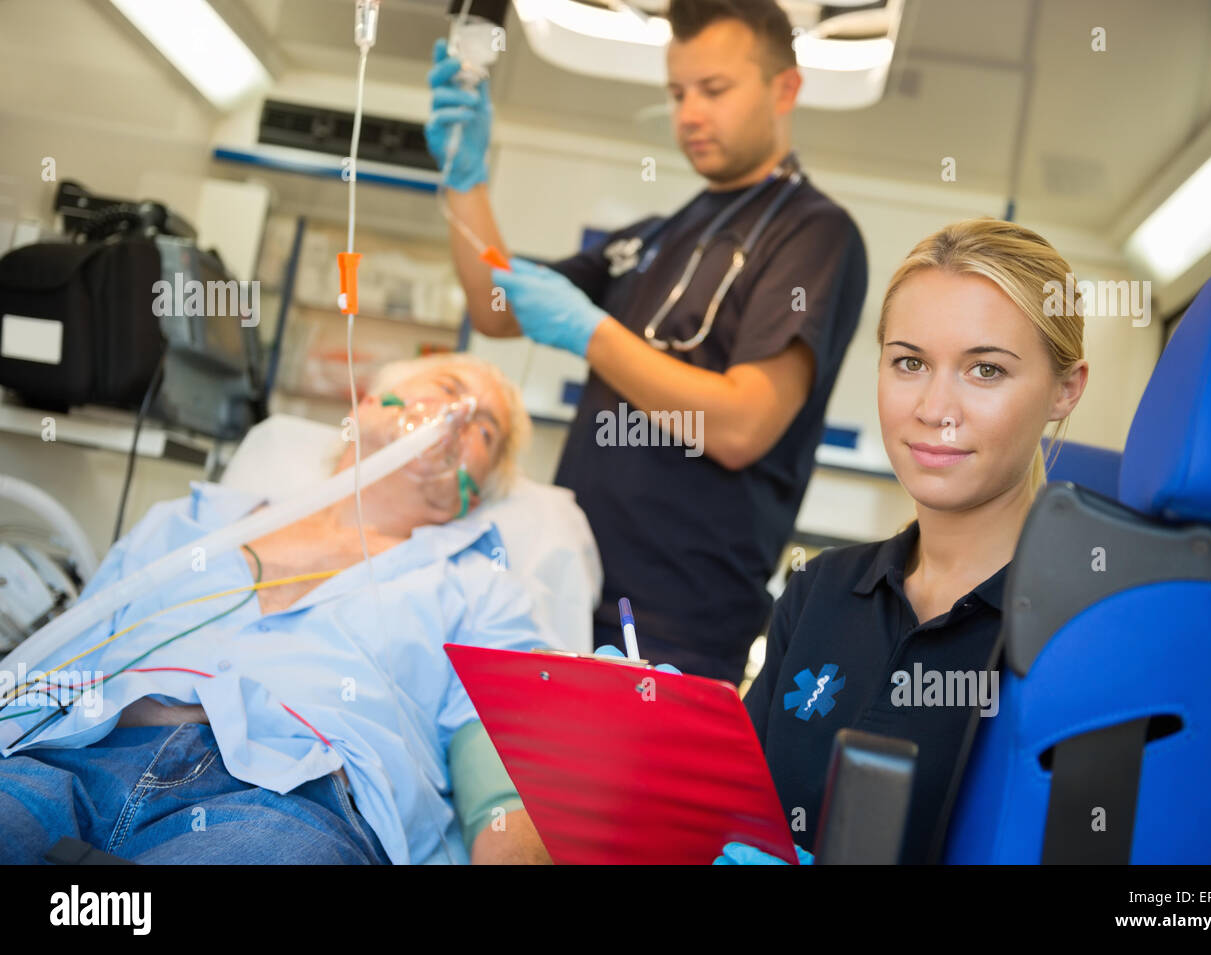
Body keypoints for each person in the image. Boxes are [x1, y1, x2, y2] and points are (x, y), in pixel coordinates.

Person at [425, 0, 869, 682]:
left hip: (678, 624)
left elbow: (743, 424)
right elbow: (495, 306)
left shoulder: (813, 234)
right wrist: (464, 178)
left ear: (786, 88)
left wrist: (590, 330)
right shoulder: (655, 234)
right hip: (566, 583)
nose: (689, 113)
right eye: (677, 92)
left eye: (714, 90)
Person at [0, 354, 552, 865]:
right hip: (78, 754)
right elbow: (62, 660)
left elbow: (502, 759)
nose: (459, 416)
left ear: (473, 493)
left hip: (288, 803)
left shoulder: (478, 585)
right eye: (448, 389)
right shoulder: (188, 523)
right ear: (364, 406)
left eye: (485, 429)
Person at [721, 218, 1089, 864]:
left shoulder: (1087, 626)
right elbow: (731, 809)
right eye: (910, 362)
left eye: (985, 370)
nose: (934, 407)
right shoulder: (819, 591)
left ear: (1066, 389)